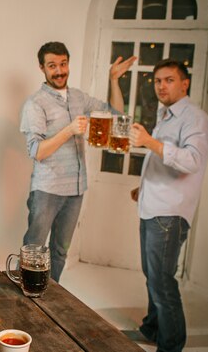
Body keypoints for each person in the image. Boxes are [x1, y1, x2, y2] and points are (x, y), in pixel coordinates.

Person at [19, 41, 136, 282]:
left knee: (60, 252)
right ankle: (27, 298)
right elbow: (37, 151)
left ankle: (50, 297)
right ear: (42, 67)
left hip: (76, 189)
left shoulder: (79, 97)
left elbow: (116, 115)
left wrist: (114, 80)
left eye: (63, 64)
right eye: (52, 65)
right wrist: (70, 130)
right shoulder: (35, 104)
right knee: (34, 249)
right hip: (47, 189)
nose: (60, 70)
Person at [130, 59, 208, 352]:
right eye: (157, 81)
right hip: (153, 206)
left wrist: (150, 142)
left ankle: (171, 346)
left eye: (168, 80)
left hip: (170, 213)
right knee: (152, 276)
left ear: (184, 83)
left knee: (162, 283)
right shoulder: (166, 115)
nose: (161, 86)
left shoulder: (195, 118)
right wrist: (144, 187)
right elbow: (168, 161)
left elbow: (192, 161)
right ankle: (152, 329)